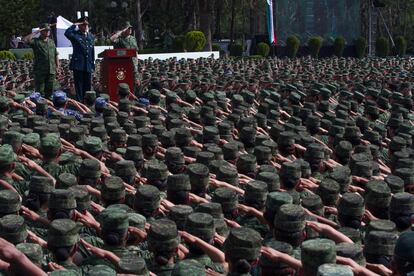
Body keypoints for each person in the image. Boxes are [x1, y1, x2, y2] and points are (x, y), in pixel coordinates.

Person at [24, 23, 59, 99]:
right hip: (40, 71)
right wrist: (36, 32)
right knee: (40, 92)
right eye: (45, 30)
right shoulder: (36, 41)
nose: (48, 32)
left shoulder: (51, 42)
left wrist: (57, 66)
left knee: (50, 92)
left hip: (51, 71)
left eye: (48, 30)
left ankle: (49, 107)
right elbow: (26, 40)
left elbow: (56, 54)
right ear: (41, 31)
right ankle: (40, 108)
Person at [64, 16, 95, 102]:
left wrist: (93, 64)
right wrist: (74, 25)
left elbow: (92, 51)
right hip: (79, 65)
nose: (85, 27)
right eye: (83, 25)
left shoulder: (91, 36)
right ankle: (80, 103)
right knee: (79, 86)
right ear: (80, 26)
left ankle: (87, 103)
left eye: (86, 25)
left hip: (88, 64)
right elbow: (67, 33)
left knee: (88, 86)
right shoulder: (75, 35)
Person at [110, 21, 139, 88]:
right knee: (125, 78)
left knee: (135, 81)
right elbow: (111, 39)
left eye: (131, 28)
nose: (130, 30)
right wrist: (121, 31)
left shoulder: (133, 38)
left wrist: (137, 60)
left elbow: (136, 50)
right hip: (124, 63)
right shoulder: (120, 39)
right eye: (128, 28)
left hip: (134, 62)